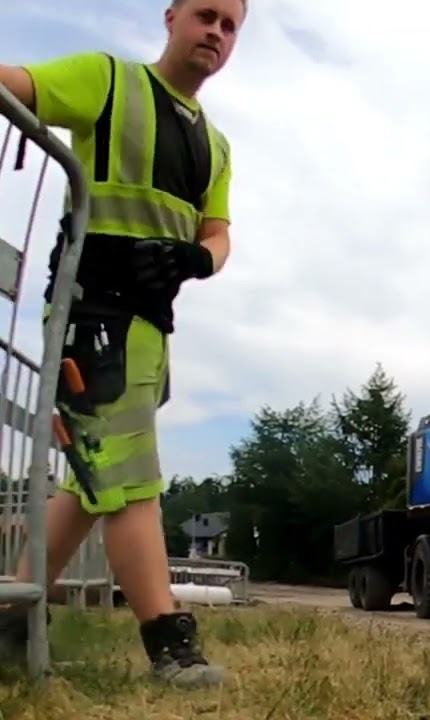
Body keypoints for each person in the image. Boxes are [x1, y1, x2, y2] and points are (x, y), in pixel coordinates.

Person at [0, 0, 245, 688]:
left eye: (230, 25)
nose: (216, 32)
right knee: (132, 478)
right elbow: (18, 84)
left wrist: (197, 260)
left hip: (151, 326)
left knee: (92, 482)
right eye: (205, 15)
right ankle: (169, 641)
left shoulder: (216, 145)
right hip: (90, 312)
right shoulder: (106, 80)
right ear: (171, 18)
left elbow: (218, 232)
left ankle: (8, 621)